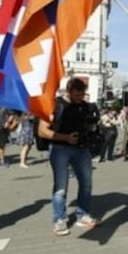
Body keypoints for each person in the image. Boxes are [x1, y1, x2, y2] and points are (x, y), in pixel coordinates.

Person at [38, 78, 100, 236]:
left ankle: (82, 214)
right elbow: (42, 131)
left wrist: (90, 126)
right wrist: (65, 137)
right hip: (60, 149)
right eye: (77, 95)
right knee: (60, 187)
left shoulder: (85, 107)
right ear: (69, 92)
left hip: (81, 149)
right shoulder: (54, 105)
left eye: (82, 95)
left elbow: (87, 125)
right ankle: (59, 219)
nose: (80, 98)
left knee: (86, 183)